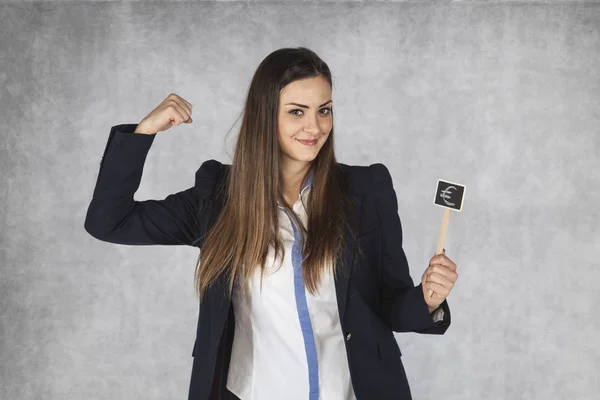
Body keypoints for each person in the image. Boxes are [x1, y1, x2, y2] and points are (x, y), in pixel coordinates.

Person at [84, 47, 458, 400]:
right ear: (266, 115)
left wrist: (426, 299)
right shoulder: (218, 198)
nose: (315, 126)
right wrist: (143, 132)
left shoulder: (367, 189)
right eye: (297, 111)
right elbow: (109, 222)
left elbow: (388, 303)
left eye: (324, 110)